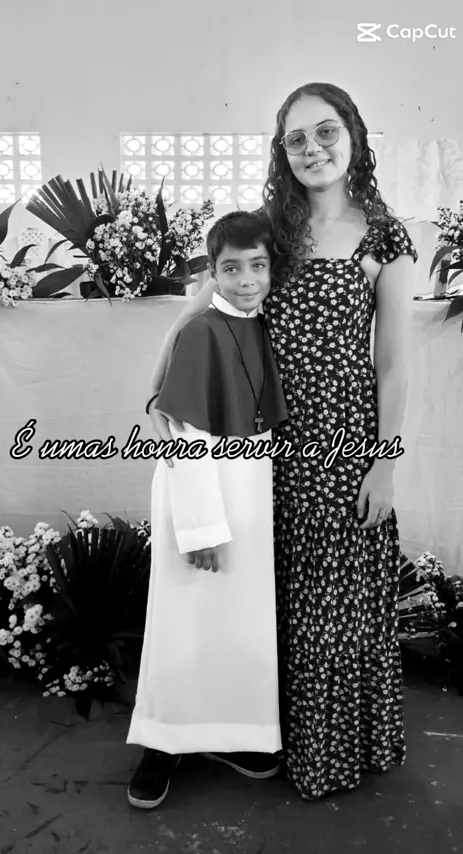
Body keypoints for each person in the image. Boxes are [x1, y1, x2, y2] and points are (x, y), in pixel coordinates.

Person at [145, 82, 418, 802]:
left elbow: (393, 363)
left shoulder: (384, 235)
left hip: (342, 446)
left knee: (334, 602)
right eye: (296, 138)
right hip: (259, 444)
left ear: (354, 134)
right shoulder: (269, 229)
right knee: (257, 592)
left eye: (326, 132)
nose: (312, 149)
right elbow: (202, 303)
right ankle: (240, 731)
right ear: (281, 151)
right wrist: (158, 380)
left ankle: (331, 750)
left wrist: (384, 465)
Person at [127, 211, 289, 809]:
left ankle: (234, 733)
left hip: (250, 491)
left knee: (240, 620)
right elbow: (185, 437)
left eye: (258, 266)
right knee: (186, 618)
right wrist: (200, 527)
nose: (246, 280)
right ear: (212, 273)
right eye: (231, 268)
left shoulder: (262, 324)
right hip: (201, 493)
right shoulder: (201, 332)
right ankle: (163, 742)